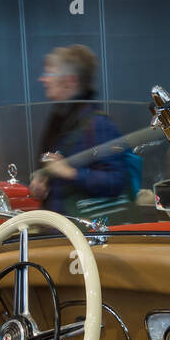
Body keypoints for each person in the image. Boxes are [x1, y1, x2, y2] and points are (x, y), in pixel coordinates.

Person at [29, 45, 129, 218]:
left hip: (88, 233)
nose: (43, 79)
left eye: (50, 73)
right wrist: (44, 182)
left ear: (71, 81)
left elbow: (116, 181)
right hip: (62, 227)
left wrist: (70, 172)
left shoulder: (98, 124)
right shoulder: (59, 119)